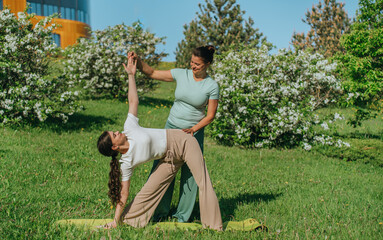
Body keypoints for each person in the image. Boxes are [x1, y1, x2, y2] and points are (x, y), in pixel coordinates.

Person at [96, 56, 222, 231]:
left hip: (183, 141)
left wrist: (131, 75)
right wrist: (115, 219)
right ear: (114, 147)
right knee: (147, 192)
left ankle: (214, 227)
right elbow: (123, 194)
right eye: (114, 135)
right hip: (168, 158)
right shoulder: (126, 163)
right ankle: (125, 222)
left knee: (203, 181)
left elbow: (133, 101)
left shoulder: (129, 128)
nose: (118, 131)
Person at [129, 45, 219, 223]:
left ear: (207, 64)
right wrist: (137, 61)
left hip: (193, 133)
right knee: (162, 169)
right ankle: (159, 212)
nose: (192, 66)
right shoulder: (181, 74)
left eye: (197, 64)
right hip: (170, 129)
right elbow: (153, 73)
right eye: (192, 62)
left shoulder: (212, 85)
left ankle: (182, 216)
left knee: (190, 175)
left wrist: (194, 129)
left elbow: (210, 115)